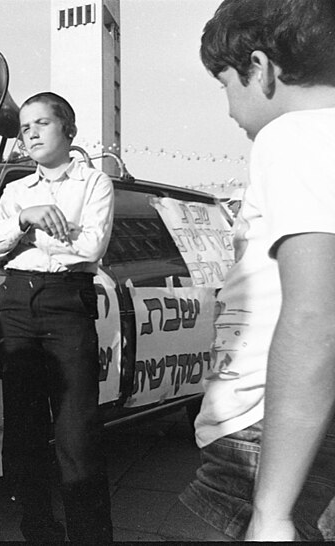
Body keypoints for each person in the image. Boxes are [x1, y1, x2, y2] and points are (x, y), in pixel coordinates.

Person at [178, 0, 335, 541]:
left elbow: (317, 313)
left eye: (224, 84)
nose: (227, 109)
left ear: (261, 69)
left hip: (265, 430)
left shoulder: (293, 136)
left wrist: (271, 510)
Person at [0, 92, 114, 542]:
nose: (30, 133)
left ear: (68, 130)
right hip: (17, 305)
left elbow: (90, 248)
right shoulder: (17, 192)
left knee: (77, 434)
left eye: (41, 123)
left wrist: (28, 238)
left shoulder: (95, 184)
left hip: (66, 303)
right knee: (23, 434)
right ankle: (39, 533)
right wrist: (25, 219)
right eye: (24, 127)